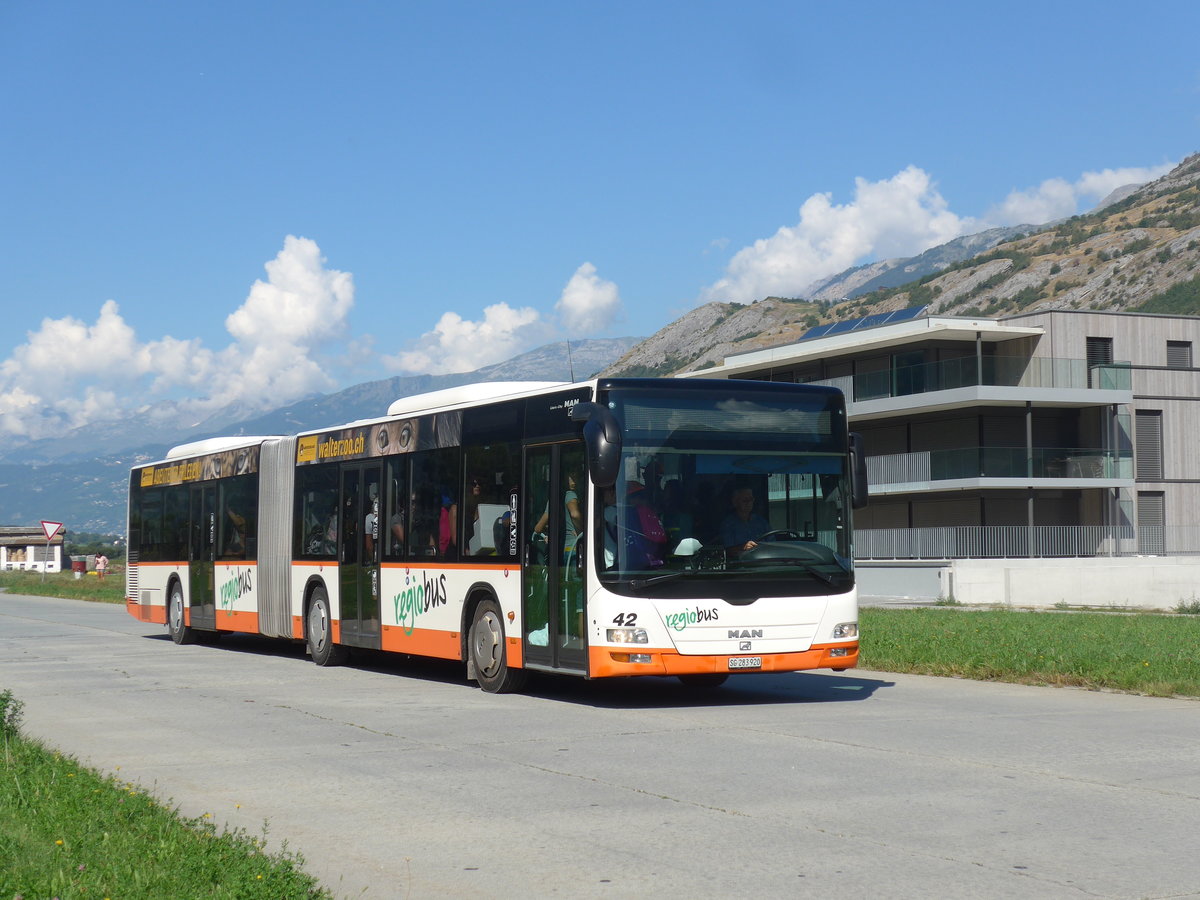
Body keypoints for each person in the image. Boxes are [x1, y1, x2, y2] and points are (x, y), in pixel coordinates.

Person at [720, 486, 770, 552]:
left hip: (764, 556)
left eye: (751, 499)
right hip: (741, 558)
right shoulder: (728, 524)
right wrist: (743, 547)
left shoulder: (761, 522)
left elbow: (772, 543)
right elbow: (727, 551)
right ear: (735, 502)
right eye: (745, 500)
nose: (749, 503)